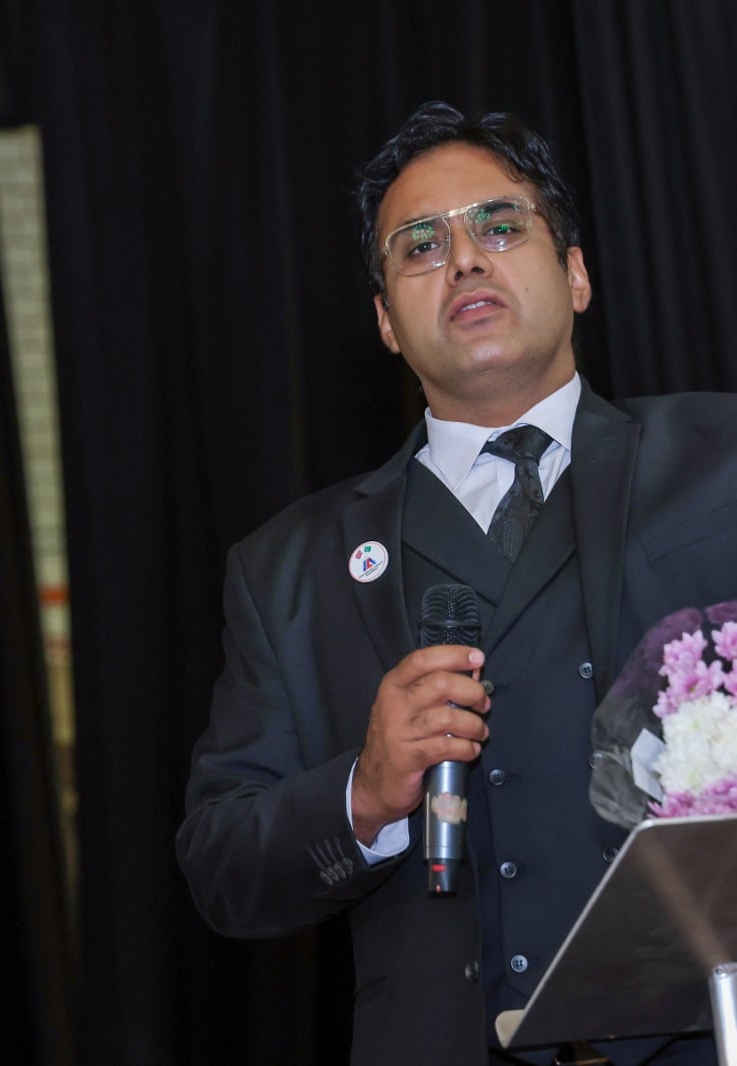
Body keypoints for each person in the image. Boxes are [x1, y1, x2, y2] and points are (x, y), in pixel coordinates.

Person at [176, 102, 734, 1065]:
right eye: (421, 246)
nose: (465, 259)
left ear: (576, 273)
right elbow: (223, 869)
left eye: (500, 226)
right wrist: (363, 794)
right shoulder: (287, 571)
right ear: (386, 322)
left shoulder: (721, 459)